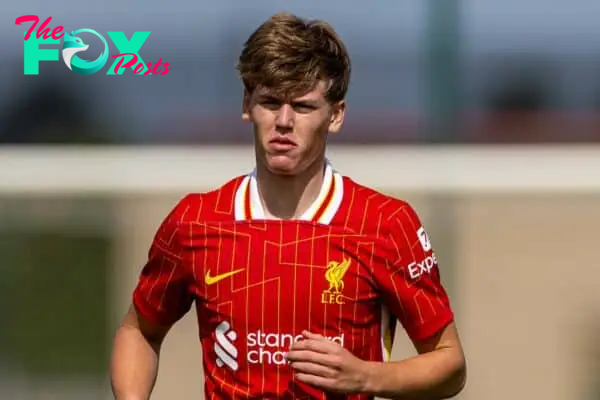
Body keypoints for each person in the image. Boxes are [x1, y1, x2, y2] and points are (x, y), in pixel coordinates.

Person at [110, 12, 466, 400]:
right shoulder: (196, 222)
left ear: (336, 116)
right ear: (248, 104)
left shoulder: (384, 224)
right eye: (270, 101)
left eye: (302, 106)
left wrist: (366, 376)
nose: (283, 120)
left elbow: (450, 364)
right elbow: (139, 331)